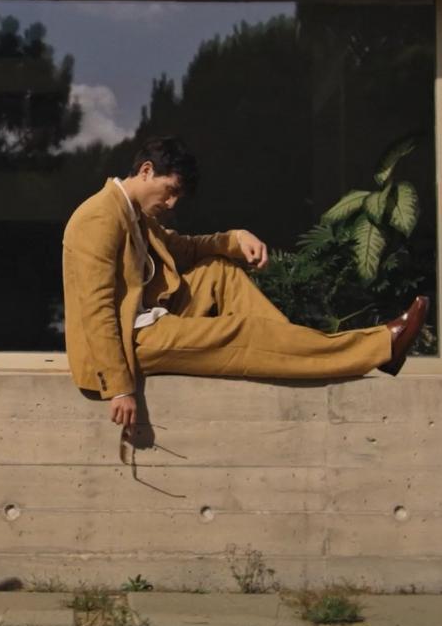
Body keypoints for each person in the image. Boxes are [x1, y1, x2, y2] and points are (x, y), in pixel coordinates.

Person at [62, 137, 428, 430]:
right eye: (170, 191)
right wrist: (120, 388)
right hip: (132, 340)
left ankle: (293, 356)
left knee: (219, 271)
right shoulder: (99, 217)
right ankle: (380, 346)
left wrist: (236, 239)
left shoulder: (136, 214)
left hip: (151, 313)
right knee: (237, 331)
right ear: (146, 171)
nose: (172, 203)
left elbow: (185, 249)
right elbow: (97, 309)